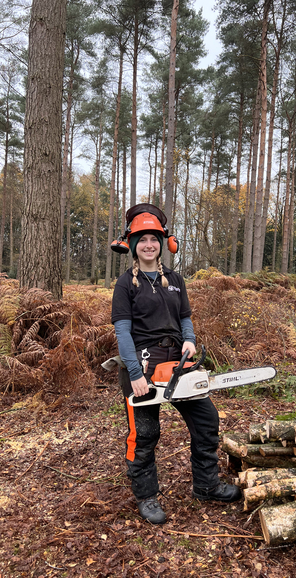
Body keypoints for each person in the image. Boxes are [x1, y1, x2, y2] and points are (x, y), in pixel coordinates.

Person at [111, 204, 241, 524]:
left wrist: (189, 339)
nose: (148, 245)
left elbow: (185, 317)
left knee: (206, 418)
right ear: (132, 244)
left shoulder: (174, 279)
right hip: (142, 361)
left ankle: (207, 485)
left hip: (177, 359)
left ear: (163, 243)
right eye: (142, 239)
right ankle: (146, 495)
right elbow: (123, 332)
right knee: (144, 432)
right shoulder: (126, 283)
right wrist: (134, 371)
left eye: (153, 239)